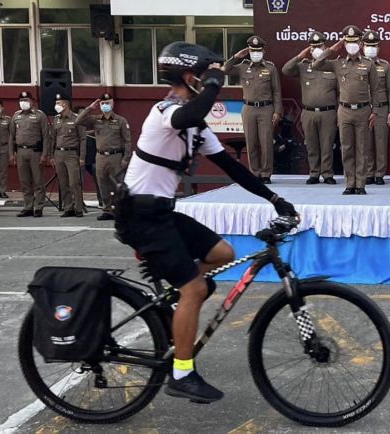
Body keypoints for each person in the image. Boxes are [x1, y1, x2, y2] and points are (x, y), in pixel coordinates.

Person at [114, 42, 296, 403]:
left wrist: (275, 200)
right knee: (196, 289)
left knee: (223, 252)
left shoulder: (197, 129)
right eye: (205, 77)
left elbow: (232, 168)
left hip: (161, 212)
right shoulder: (165, 112)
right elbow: (187, 115)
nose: (214, 83)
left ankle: (177, 295)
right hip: (139, 215)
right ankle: (182, 373)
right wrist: (212, 85)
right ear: (189, 77)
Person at [313, 25, 379, 195]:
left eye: (355, 41)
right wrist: (332, 49)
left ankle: (361, 184)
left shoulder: (368, 64)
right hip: (344, 110)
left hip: (363, 110)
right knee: (347, 147)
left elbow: (376, 89)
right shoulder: (338, 63)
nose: (352, 45)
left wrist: (375, 111)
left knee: (362, 148)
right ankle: (350, 183)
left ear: (360, 43)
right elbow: (316, 65)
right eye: (348, 42)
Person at [281, 31, 338, 185]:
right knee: (311, 144)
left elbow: (341, 91)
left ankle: (327, 174)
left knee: (327, 145)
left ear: (325, 46)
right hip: (308, 112)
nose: (317, 49)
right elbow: (286, 70)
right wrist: (300, 56)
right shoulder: (303, 66)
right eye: (313, 47)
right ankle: (314, 173)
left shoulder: (333, 65)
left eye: (319, 46)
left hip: (328, 112)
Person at [223, 36, 282, 184]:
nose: (256, 53)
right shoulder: (243, 67)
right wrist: (236, 56)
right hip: (249, 108)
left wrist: (277, 111)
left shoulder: (270, 67)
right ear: (249, 51)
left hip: (266, 108)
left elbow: (276, 91)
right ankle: (255, 173)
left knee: (266, 142)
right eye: (253, 51)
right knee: (251, 142)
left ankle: (266, 174)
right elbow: (225, 69)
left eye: (258, 51)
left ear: (263, 51)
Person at [77, 93, 132, 220]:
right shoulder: (95, 119)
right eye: (102, 103)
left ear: (113, 104)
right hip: (100, 156)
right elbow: (78, 121)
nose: (105, 105)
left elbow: (127, 140)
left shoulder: (120, 120)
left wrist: (126, 158)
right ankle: (108, 210)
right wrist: (90, 108)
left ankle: (120, 209)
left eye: (107, 103)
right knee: (103, 184)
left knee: (118, 184)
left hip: (115, 156)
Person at [362, 30, 390, 186]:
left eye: (373, 46)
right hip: (363, 108)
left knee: (380, 142)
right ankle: (368, 173)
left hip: (382, 108)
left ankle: (379, 174)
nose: (371, 48)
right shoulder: (357, 65)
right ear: (362, 47)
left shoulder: (385, 65)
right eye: (368, 45)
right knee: (366, 143)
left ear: (378, 48)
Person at [10, 91, 49, 217]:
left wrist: (44, 154)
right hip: (20, 152)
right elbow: (12, 136)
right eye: (21, 100)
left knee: (38, 181)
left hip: (35, 152)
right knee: (24, 181)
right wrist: (12, 153)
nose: (23, 102)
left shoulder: (40, 115)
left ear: (32, 101)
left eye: (26, 100)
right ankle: (28, 206)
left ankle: (38, 207)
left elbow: (46, 136)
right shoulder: (16, 116)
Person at [50, 94, 87, 217]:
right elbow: (53, 139)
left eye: (58, 103)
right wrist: (52, 156)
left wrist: (82, 157)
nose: (56, 106)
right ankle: (68, 207)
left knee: (74, 182)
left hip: (72, 153)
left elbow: (82, 139)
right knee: (63, 182)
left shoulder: (76, 118)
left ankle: (78, 208)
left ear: (65, 104)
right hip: (58, 153)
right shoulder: (56, 119)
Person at [75, 105, 104, 207]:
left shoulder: (92, 122)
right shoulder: (76, 124)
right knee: (79, 181)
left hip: (93, 157)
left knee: (99, 179)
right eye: (82, 113)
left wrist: (89, 132)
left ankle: (102, 200)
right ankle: (79, 201)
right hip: (80, 157)